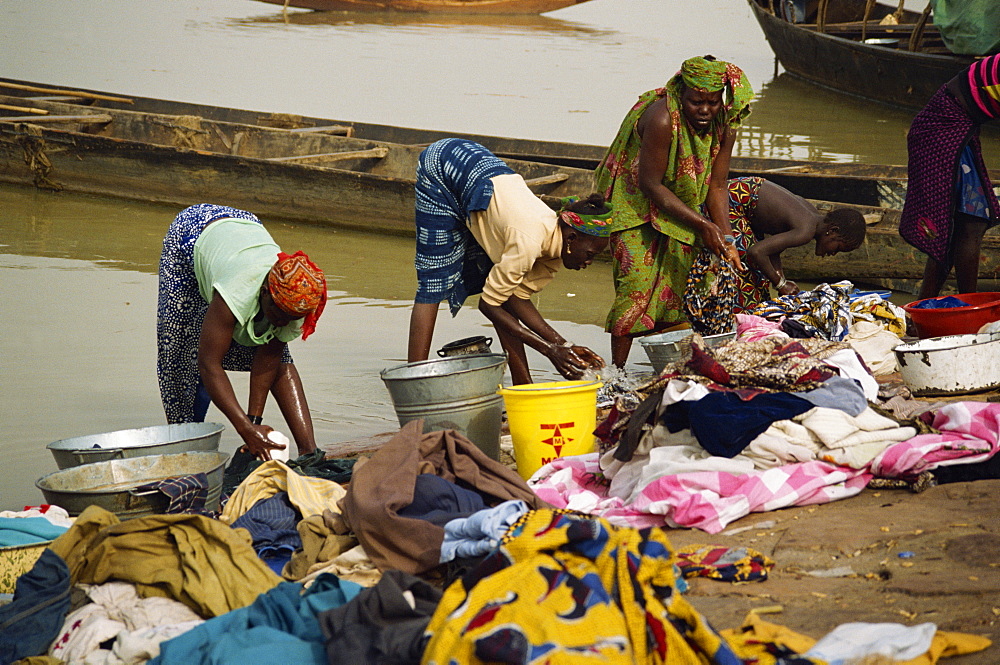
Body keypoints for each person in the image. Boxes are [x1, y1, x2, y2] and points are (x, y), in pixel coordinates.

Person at [407, 138, 611, 385]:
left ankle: (523, 386)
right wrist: (548, 350)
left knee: (499, 285)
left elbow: (514, 298)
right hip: (444, 165)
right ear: (572, 237)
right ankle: (413, 382)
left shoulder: (554, 251)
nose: (589, 262)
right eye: (589, 254)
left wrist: (564, 346)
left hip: (487, 177)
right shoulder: (529, 241)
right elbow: (488, 305)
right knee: (434, 281)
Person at [594, 55, 754, 368]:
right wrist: (704, 226)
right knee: (636, 290)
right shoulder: (663, 119)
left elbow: (718, 186)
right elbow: (651, 184)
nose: (705, 110)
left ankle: (670, 367)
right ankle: (618, 373)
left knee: (674, 293)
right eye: (696, 102)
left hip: (681, 202)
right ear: (682, 94)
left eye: (712, 102)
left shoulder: (725, 123)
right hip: (634, 203)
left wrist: (726, 237)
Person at [156, 203, 327, 461]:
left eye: (288, 319)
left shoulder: (296, 301)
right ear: (265, 293)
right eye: (278, 315)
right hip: (191, 235)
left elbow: (269, 358)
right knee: (182, 351)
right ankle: (187, 449)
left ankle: (309, 450)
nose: (281, 323)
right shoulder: (237, 291)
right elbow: (209, 363)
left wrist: (253, 422)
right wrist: (245, 430)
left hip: (244, 226)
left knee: (281, 357)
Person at [899, 53, 1000, 301]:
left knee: (959, 226)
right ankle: (969, 307)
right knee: (967, 224)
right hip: (940, 131)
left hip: (960, 131)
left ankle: (922, 309)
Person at [726, 176, 867, 309]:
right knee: (747, 271)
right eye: (837, 248)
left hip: (743, 195)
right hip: (732, 201)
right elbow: (756, 252)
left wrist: (781, 278)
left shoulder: (812, 216)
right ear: (833, 231)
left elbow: (773, 248)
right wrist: (780, 284)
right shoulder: (805, 232)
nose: (833, 253)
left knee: (764, 274)